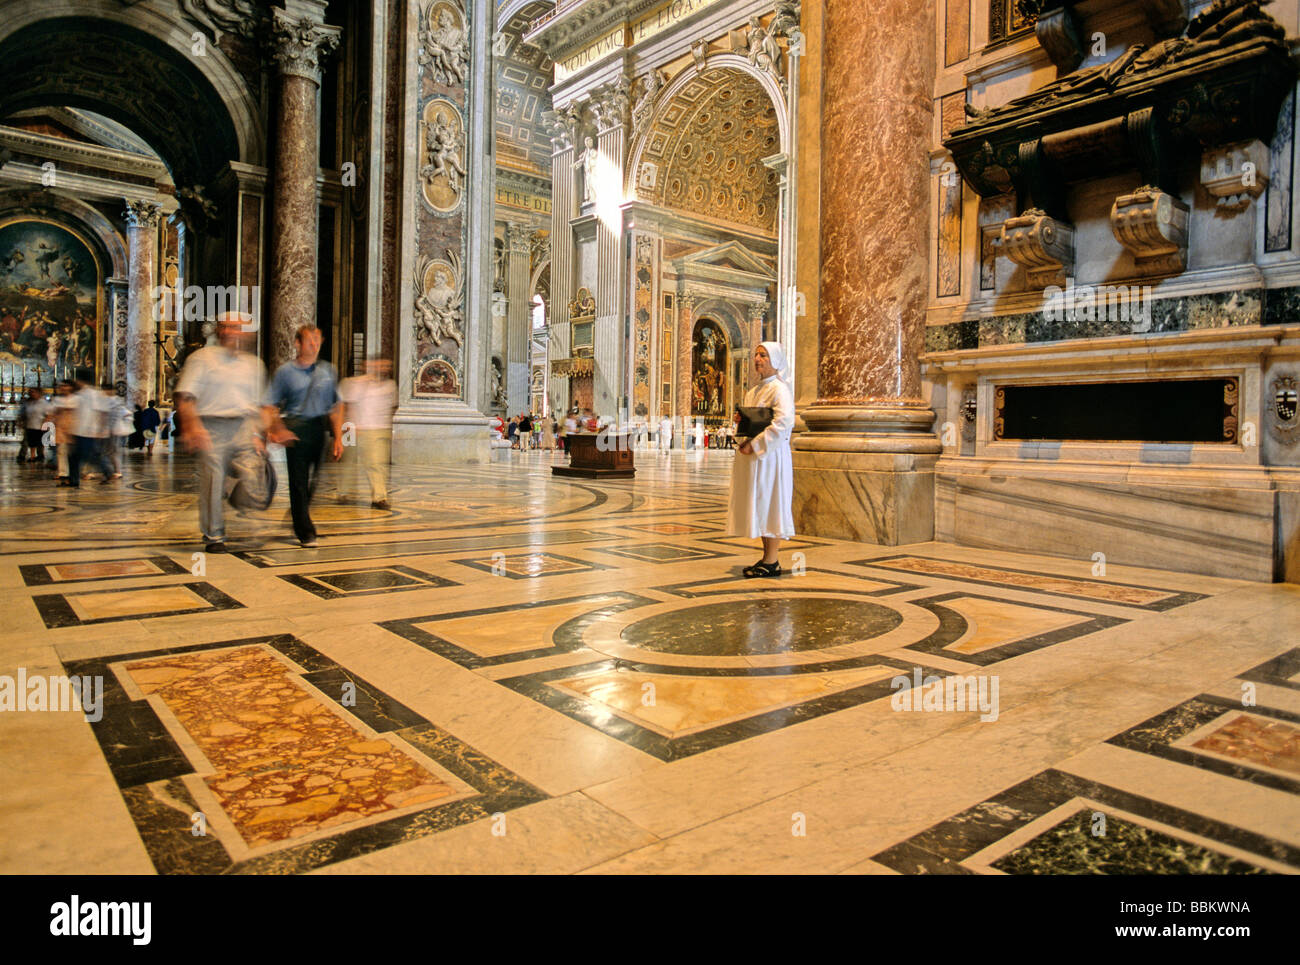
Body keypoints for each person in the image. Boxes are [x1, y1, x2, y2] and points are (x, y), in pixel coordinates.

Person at [175, 312, 267, 553]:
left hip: (244, 427)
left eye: (235, 327)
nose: (229, 332)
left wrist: (258, 435)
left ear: (246, 332)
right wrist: (192, 427)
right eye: (225, 327)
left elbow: (258, 405)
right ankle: (214, 535)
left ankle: (233, 494)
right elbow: (185, 396)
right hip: (210, 426)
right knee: (213, 481)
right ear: (218, 330)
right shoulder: (201, 358)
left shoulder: (254, 365)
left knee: (255, 477)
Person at [263, 324, 343, 548]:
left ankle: (299, 513)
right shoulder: (286, 372)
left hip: (319, 429)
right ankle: (305, 532)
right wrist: (278, 429)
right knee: (298, 482)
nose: (315, 345)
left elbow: (336, 406)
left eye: (318, 340)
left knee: (316, 480)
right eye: (310, 341)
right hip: (296, 429)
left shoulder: (328, 370)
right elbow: (270, 404)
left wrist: (338, 438)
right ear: (298, 343)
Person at [727, 342, 794, 578]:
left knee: (772, 504)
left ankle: (772, 560)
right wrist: (741, 423)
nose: (757, 358)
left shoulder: (780, 389)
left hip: (771, 458)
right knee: (762, 505)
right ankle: (767, 559)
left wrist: (755, 445)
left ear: (775, 360)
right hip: (756, 459)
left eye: (763, 355)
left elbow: (783, 424)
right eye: (756, 354)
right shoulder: (753, 391)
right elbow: (754, 422)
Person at [338, 356, 397, 510]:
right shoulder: (354, 382)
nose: (384, 369)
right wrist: (345, 428)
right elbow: (345, 405)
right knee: (348, 461)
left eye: (386, 366)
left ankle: (379, 497)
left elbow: (392, 406)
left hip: (376, 429)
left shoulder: (390, 385)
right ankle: (343, 491)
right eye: (380, 365)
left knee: (376, 463)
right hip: (351, 427)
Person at [67, 375, 114, 487]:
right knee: (74, 456)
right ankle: (73, 480)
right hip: (78, 430)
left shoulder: (93, 394)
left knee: (87, 455)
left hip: (88, 431)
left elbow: (102, 412)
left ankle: (107, 470)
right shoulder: (80, 394)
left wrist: (100, 429)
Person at [22, 388, 48, 464]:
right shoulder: (29, 402)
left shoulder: (43, 403)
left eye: (34, 392)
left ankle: (40, 455)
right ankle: (32, 456)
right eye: (30, 392)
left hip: (40, 424)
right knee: (31, 441)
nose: (32, 394)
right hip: (30, 424)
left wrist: (45, 423)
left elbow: (47, 414)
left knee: (40, 441)